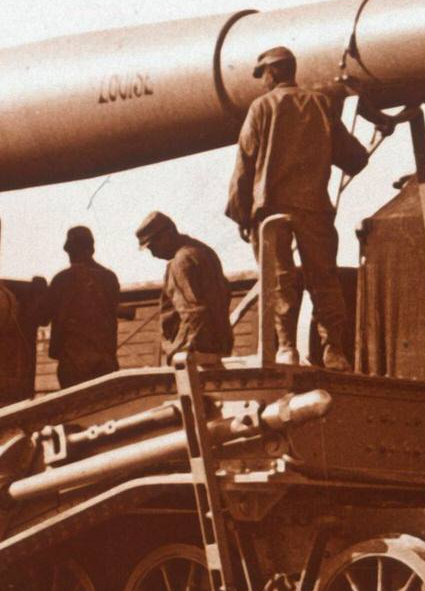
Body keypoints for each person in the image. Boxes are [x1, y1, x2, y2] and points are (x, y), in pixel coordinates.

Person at [225, 45, 368, 370]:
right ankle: (334, 352)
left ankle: (286, 348)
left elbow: (244, 163)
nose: (262, 82)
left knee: (279, 280)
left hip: (271, 210)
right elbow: (353, 158)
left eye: (263, 75)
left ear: (273, 72)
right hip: (314, 207)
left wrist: (240, 213)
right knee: (324, 279)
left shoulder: (261, 108)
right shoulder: (321, 104)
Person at [135, 211, 232, 366]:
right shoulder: (204, 252)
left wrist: (179, 351)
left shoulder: (181, 261)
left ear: (168, 233)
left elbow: (193, 313)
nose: (153, 254)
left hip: (194, 354)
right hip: (219, 347)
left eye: (153, 246)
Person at [40, 225, 120, 388]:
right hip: (105, 362)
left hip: (74, 364)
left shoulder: (63, 279)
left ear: (69, 250)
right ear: (91, 248)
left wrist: (37, 290)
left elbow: (41, 317)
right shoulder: (109, 278)